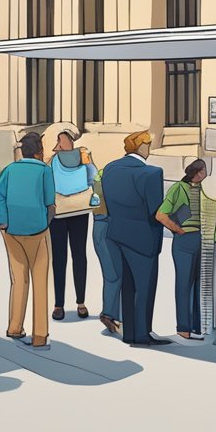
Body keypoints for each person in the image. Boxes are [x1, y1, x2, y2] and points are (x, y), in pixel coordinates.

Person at [102, 130, 169, 347]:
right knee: (145, 287)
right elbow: (155, 211)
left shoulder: (110, 169)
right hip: (143, 237)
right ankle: (142, 334)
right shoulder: (151, 173)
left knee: (128, 286)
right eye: (148, 145)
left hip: (117, 233)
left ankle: (129, 332)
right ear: (142, 147)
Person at [0, 132, 57, 349]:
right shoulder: (44, 171)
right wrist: (46, 223)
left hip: (12, 230)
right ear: (40, 151)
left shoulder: (10, 170)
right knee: (40, 282)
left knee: (18, 279)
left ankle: (14, 326)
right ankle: (39, 334)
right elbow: (50, 202)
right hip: (37, 230)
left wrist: (3, 222)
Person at [48, 124, 98, 322]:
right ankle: (81, 303)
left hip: (59, 211)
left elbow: (49, 183)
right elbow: (93, 176)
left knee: (59, 259)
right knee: (79, 256)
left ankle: (59, 305)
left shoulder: (52, 161)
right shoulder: (84, 155)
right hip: (80, 209)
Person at [156, 159, 207, 340]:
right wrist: (177, 229)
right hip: (184, 239)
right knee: (184, 285)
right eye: (202, 171)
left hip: (200, 239)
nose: (204, 174)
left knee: (197, 285)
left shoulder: (204, 190)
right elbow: (161, 215)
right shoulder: (179, 188)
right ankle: (183, 327)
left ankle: (195, 327)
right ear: (195, 172)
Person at [90, 167, 122, 336]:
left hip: (101, 226)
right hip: (106, 226)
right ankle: (110, 314)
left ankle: (114, 314)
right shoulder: (105, 185)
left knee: (113, 274)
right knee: (114, 275)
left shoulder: (98, 181)